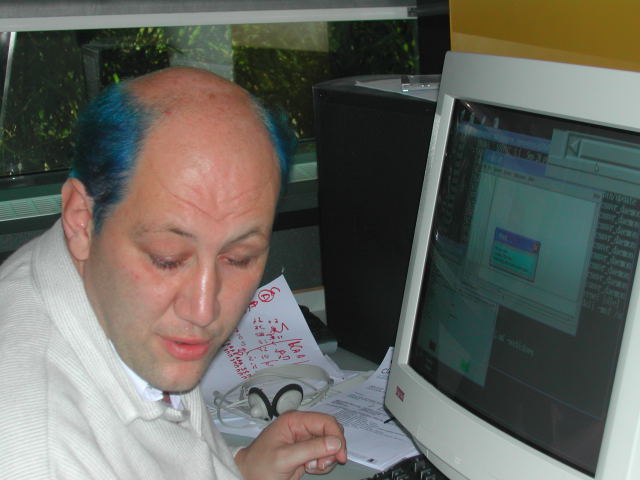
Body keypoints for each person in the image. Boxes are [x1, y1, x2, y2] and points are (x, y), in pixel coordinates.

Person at [0, 67, 347, 479]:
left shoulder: (103, 304)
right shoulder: (41, 455)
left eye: (239, 257)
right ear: (82, 220)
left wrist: (238, 470)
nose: (203, 310)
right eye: (167, 259)